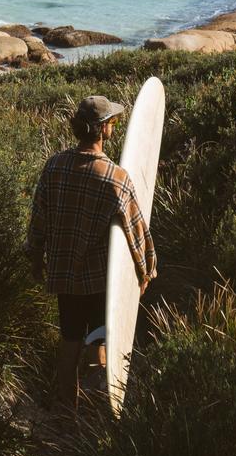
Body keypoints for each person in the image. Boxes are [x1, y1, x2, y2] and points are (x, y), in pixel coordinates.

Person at [25, 95, 157, 408]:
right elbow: (137, 230)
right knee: (100, 343)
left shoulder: (54, 166)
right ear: (102, 129)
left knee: (69, 343)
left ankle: (67, 413)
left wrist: (34, 256)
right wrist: (145, 272)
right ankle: (98, 413)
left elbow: (39, 218)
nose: (115, 125)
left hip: (65, 277)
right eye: (112, 121)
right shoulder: (115, 177)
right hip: (100, 280)